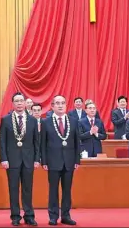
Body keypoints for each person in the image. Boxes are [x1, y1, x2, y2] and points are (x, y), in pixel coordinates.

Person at [0, 92, 39, 226]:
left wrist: (37, 159)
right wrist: (3, 158)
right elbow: (2, 142)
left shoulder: (32, 120)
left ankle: (29, 215)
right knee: (13, 188)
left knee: (28, 188)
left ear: (25, 103)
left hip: (28, 160)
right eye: (16, 101)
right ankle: (15, 216)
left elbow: (36, 141)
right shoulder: (6, 119)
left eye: (21, 101)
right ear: (13, 103)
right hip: (11, 160)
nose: (19, 103)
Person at [41, 95, 80, 226]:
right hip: (52, 161)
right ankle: (53, 216)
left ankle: (66, 215)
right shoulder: (46, 122)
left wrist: (77, 160)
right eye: (57, 103)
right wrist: (44, 161)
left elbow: (76, 142)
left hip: (69, 161)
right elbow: (43, 143)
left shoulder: (73, 121)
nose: (60, 105)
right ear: (52, 106)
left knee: (67, 190)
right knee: (53, 190)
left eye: (63, 103)